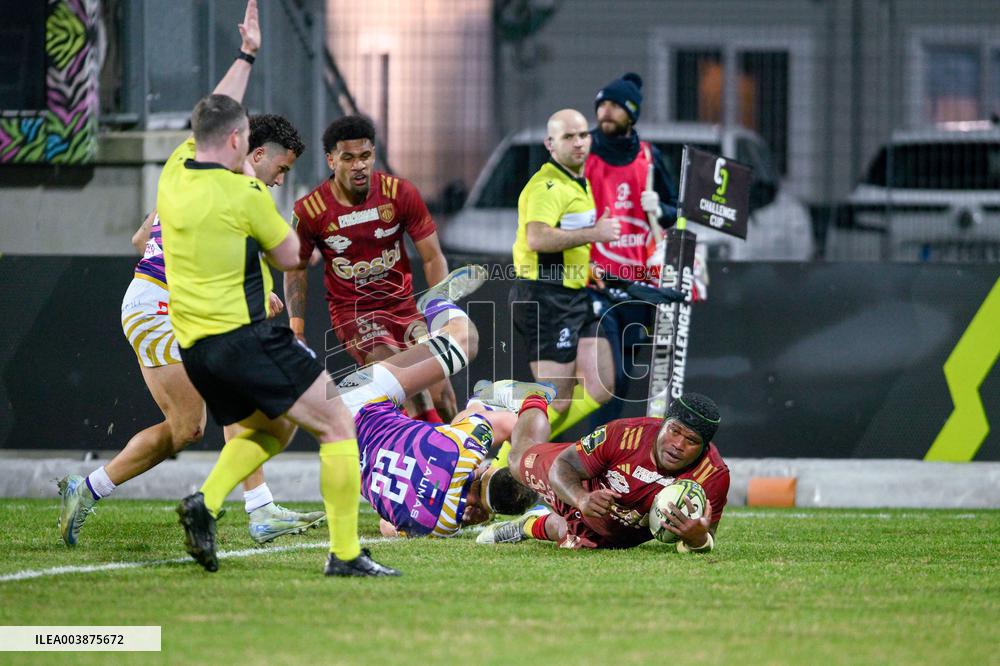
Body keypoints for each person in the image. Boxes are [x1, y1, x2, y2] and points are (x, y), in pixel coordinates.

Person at [56, 4, 319, 548]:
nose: (279, 181)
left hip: (160, 300)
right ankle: (259, 509)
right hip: (157, 304)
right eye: (281, 169)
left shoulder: (189, 166)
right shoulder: (234, 190)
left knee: (189, 429)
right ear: (255, 150)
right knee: (235, 389)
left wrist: (247, 55)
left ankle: (87, 488)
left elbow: (140, 238)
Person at [156, 63, 396, 578]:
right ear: (241, 141)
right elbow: (294, 257)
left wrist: (246, 56)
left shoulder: (174, 170)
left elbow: (215, 107)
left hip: (198, 351)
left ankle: (207, 501)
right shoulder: (248, 194)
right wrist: (262, 196)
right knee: (337, 426)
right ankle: (347, 554)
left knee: (276, 431)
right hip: (247, 339)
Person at [330, 265, 547, 538]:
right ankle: (460, 381)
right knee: (436, 415)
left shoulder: (464, 449)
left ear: (489, 470)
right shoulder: (441, 526)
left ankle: (435, 304)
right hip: (338, 449)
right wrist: (464, 517)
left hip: (358, 401)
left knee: (465, 342)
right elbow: (387, 528)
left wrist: (524, 423)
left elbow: (510, 423)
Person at [283, 115, 457, 424]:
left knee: (441, 390)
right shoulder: (310, 210)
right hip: (355, 314)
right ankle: (428, 458)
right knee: (394, 371)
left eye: (365, 156)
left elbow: (433, 258)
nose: (359, 165)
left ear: (374, 154)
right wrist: (296, 326)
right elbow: (295, 269)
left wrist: (442, 310)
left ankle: (462, 458)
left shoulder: (399, 193)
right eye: (348, 158)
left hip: (403, 306)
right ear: (331, 160)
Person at [476, 390, 729, 553]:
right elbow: (563, 466)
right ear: (663, 424)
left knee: (576, 539)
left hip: (618, 528)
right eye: (674, 431)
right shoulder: (624, 434)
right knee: (518, 457)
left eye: (691, 441)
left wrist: (698, 540)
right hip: (580, 482)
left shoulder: (712, 476)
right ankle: (532, 399)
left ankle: (528, 526)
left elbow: (707, 533)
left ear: (704, 447)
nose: (678, 445)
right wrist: (581, 498)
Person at [508, 108, 621, 444]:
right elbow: (537, 238)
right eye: (568, 136)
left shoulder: (577, 179)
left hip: (573, 292)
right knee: (555, 402)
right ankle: (511, 461)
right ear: (550, 144)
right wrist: (595, 233)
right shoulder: (548, 184)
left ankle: (524, 448)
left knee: (601, 387)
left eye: (583, 134)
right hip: (544, 297)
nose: (578, 142)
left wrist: (583, 267)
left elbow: (561, 241)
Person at [581, 72, 680, 425]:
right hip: (595, 282)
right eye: (601, 104)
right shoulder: (584, 152)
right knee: (605, 378)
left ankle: (599, 454)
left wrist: (662, 209)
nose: (605, 111)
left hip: (638, 284)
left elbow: (675, 210)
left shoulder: (649, 158)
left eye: (615, 105)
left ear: (632, 113)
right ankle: (586, 455)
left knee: (623, 380)